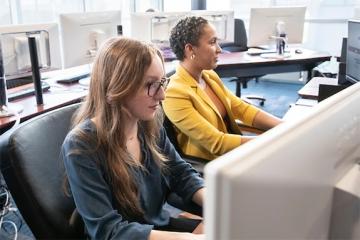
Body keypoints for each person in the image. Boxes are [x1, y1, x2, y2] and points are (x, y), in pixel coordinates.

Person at [61, 37, 205, 240]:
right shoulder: (82, 146)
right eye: (150, 85)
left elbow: (179, 173)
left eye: (162, 82)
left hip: (156, 228)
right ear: (118, 86)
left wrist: (218, 203)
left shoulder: (149, 125)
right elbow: (108, 232)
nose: (162, 95)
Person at [162, 16, 282, 161]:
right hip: (212, 164)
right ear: (190, 49)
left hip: (234, 155)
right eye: (212, 42)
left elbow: (242, 109)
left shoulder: (209, 76)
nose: (219, 49)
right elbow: (217, 143)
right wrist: (273, 141)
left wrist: (286, 127)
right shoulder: (174, 93)